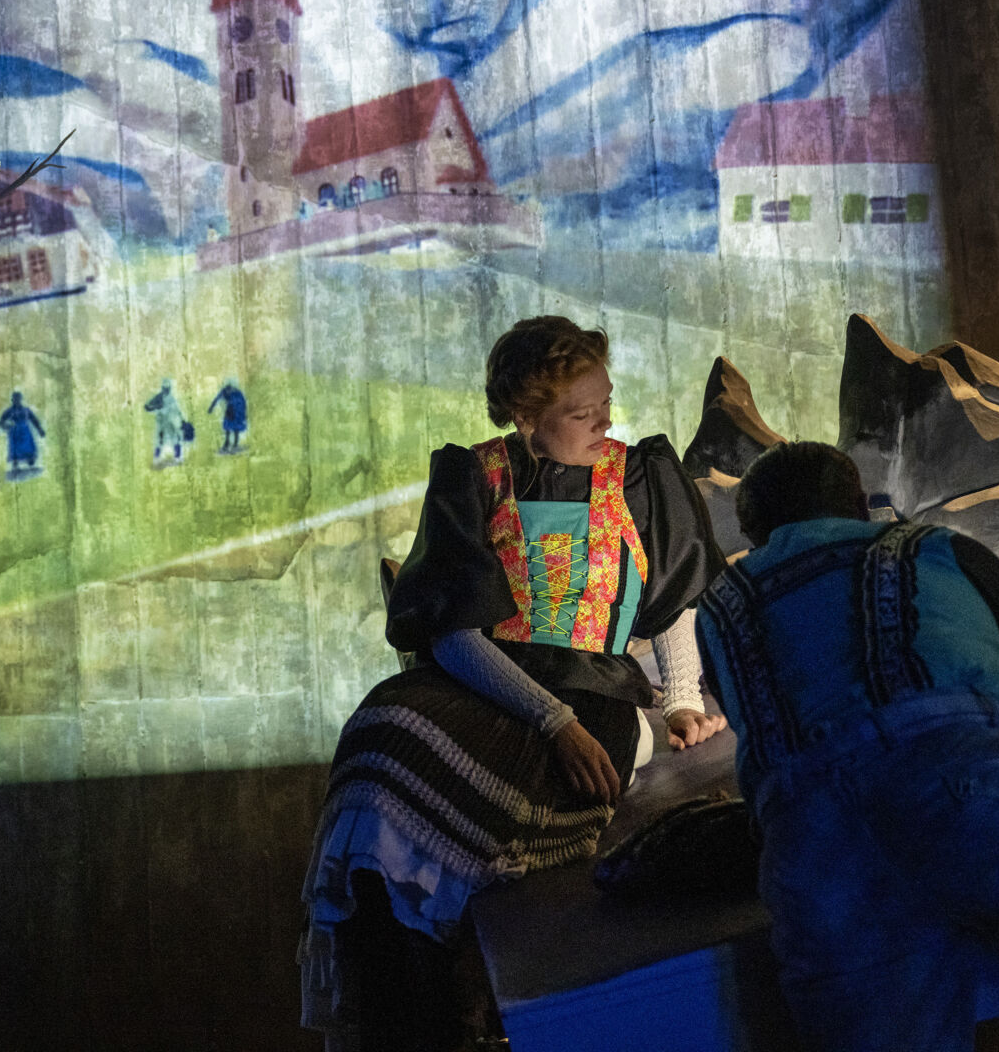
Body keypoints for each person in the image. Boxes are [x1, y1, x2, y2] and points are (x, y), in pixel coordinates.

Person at [299, 316, 729, 1051]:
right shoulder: (474, 477)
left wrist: (683, 699)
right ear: (527, 417)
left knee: (452, 795)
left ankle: (451, 990)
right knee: (379, 741)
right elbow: (454, 632)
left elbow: (672, 604)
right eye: (582, 412)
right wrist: (549, 720)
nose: (605, 421)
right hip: (484, 682)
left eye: (606, 402)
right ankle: (402, 1008)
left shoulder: (637, 476)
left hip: (594, 691)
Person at [694, 441, 999, 1052]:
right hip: (970, 790)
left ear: (751, 533)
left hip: (816, 854)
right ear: (861, 503)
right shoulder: (933, 550)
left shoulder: (719, 610)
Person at [0, 389, 46, 479]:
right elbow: (1, 421)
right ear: (12, 400)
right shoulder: (9, 411)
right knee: (15, 449)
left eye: (18, 398)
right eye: (15, 398)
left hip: (25, 431)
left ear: (21, 399)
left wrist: (40, 429)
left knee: (29, 447)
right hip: (15, 432)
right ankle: (15, 465)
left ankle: (31, 463)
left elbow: (34, 419)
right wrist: (5, 426)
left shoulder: (26, 410)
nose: (17, 400)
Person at [144, 378, 188, 467]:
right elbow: (148, 406)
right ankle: (157, 458)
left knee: (174, 438)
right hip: (162, 422)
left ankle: (177, 457)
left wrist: (182, 419)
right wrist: (153, 407)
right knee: (160, 440)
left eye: (167, 388)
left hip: (169, 422)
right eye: (165, 388)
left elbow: (177, 410)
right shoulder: (159, 397)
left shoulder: (171, 398)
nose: (166, 390)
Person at [209, 378, 249, 454]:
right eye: (227, 389)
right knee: (227, 427)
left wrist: (242, 413)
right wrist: (211, 407)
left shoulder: (237, 393)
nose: (228, 390)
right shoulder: (224, 391)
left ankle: (235, 444)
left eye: (229, 389)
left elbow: (242, 402)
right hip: (230, 410)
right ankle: (227, 443)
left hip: (237, 411)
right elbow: (217, 398)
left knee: (236, 427)